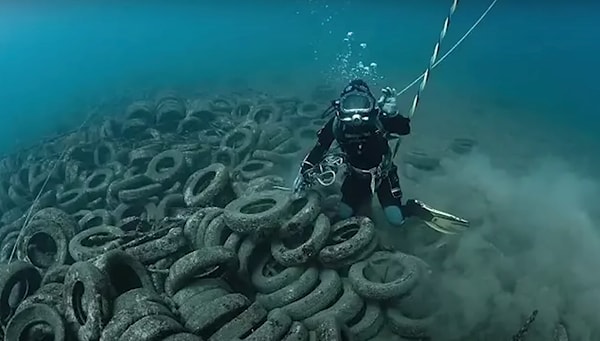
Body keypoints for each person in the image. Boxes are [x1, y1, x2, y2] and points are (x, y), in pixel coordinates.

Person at [293, 79, 468, 234]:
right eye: (350, 104)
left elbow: (404, 129)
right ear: (340, 106)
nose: (356, 114)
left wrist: (392, 115)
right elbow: (319, 148)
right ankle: (363, 204)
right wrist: (304, 171)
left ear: (372, 105)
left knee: (396, 220)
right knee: (343, 216)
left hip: (384, 176)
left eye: (362, 104)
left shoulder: (378, 118)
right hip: (355, 177)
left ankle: (414, 208)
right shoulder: (337, 124)